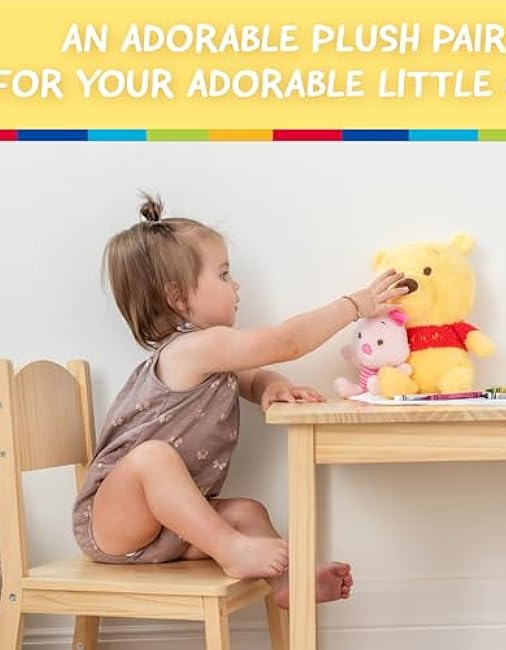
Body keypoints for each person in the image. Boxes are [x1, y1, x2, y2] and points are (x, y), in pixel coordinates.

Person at [72, 192, 408, 608]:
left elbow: (250, 377)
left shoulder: (212, 356)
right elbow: (285, 342)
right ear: (178, 297)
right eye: (224, 274)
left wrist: (269, 387)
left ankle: (288, 582)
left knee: (248, 511)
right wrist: (354, 305)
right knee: (151, 458)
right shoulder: (192, 348)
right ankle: (229, 548)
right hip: (112, 523)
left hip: (170, 526)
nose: (236, 285)